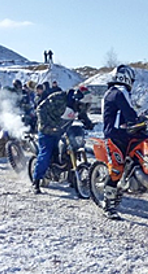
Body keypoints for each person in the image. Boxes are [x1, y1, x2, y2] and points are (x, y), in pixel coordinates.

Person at [32, 86, 94, 194]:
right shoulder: (59, 98)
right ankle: (36, 181)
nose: (83, 107)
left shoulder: (77, 105)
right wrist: (48, 126)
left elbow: (82, 114)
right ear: (76, 100)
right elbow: (40, 109)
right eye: (83, 104)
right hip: (48, 130)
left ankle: (72, 178)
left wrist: (88, 123)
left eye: (86, 105)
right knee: (46, 154)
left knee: (70, 150)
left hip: (63, 130)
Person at [101, 65, 140, 219]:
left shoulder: (111, 92)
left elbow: (127, 112)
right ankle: (108, 204)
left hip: (122, 133)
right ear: (126, 78)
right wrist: (137, 120)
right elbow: (129, 114)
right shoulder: (119, 92)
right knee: (116, 169)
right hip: (116, 136)